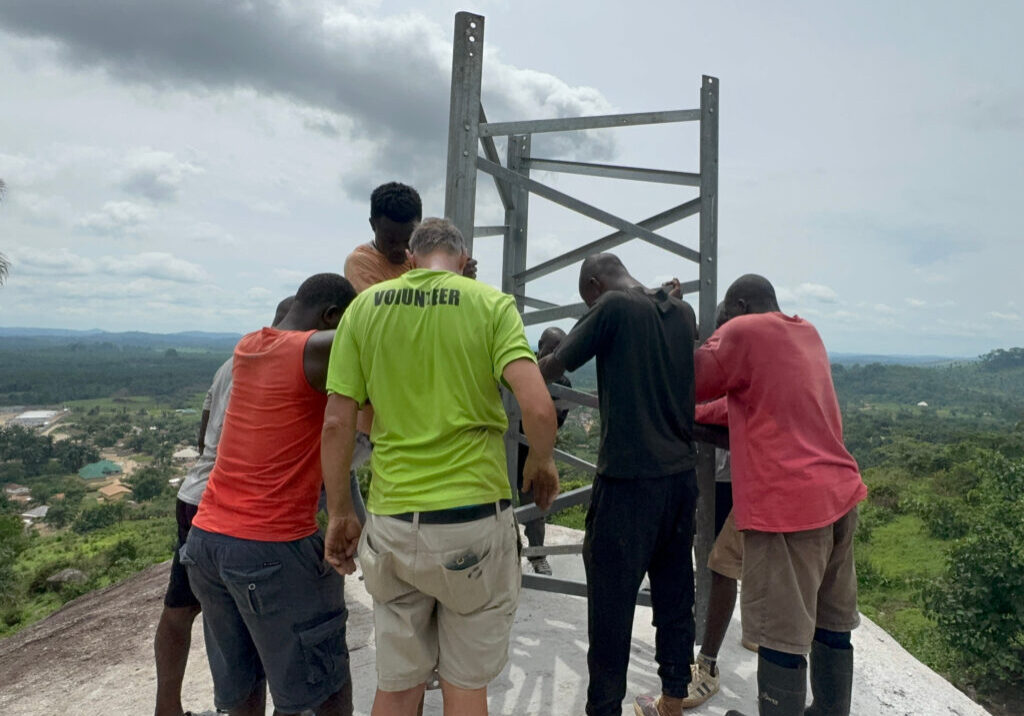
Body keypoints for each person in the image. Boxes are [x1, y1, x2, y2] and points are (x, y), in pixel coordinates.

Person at [322, 218, 560, 716]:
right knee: (466, 686)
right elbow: (538, 408)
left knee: (399, 686)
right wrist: (541, 461)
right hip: (472, 525)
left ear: (409, 259)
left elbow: (336, 424)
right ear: (464, 258)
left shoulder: (363, 309)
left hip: (394, 524)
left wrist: (341, 512)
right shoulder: (491, 305)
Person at [180, 274, 358, 716]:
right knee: (325, 691)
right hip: (270, 549)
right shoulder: (313, 350)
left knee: (243, 690)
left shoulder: (248, 346)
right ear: (332, 318)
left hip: (207, 543)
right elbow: (376, 336)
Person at [694, 274, 867, 716]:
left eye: (721, 325)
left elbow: (684, 381)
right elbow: (740, 403)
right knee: (830, 624)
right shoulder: (805, 332)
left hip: (789, 510)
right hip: (839, 496)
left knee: (781, 636)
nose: (720, 335)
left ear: (737, 305)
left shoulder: (742, 331)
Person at [538, 253, 699, 716]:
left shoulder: (612, 307)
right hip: (680, 479)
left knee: (611, 608)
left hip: (629, 483)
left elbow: (555, 365)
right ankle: (671, 698)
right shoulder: (680, 310)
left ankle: (604, 708)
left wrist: (523, 363)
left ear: (593, 284)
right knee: (675, 594)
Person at [153, 295, 292, 716]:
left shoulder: (233, 360)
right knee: (248, 626)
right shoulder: (291, 363)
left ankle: (167, 706)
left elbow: (202, 433)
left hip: (194, 496)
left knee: (180, 607)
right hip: (231, 505)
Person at [344, 182, 477, 294]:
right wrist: (452, 281)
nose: (401, 249)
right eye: (391, 241)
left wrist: (460, 280)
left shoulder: (422, 255)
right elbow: (382, 312)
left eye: (408, 240)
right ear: (373, 225)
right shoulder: (360, 262)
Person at [517, 326, 571, 576]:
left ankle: (536, 555)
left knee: (536, 508)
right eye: (551, 349)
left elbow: (556, 420)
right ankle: (508, 554)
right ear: (539, 346)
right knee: (500, 505)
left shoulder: (563, 383)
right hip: (509, 448)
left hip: (535, 450)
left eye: (559, 351)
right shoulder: (519, 367)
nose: (553, 356)